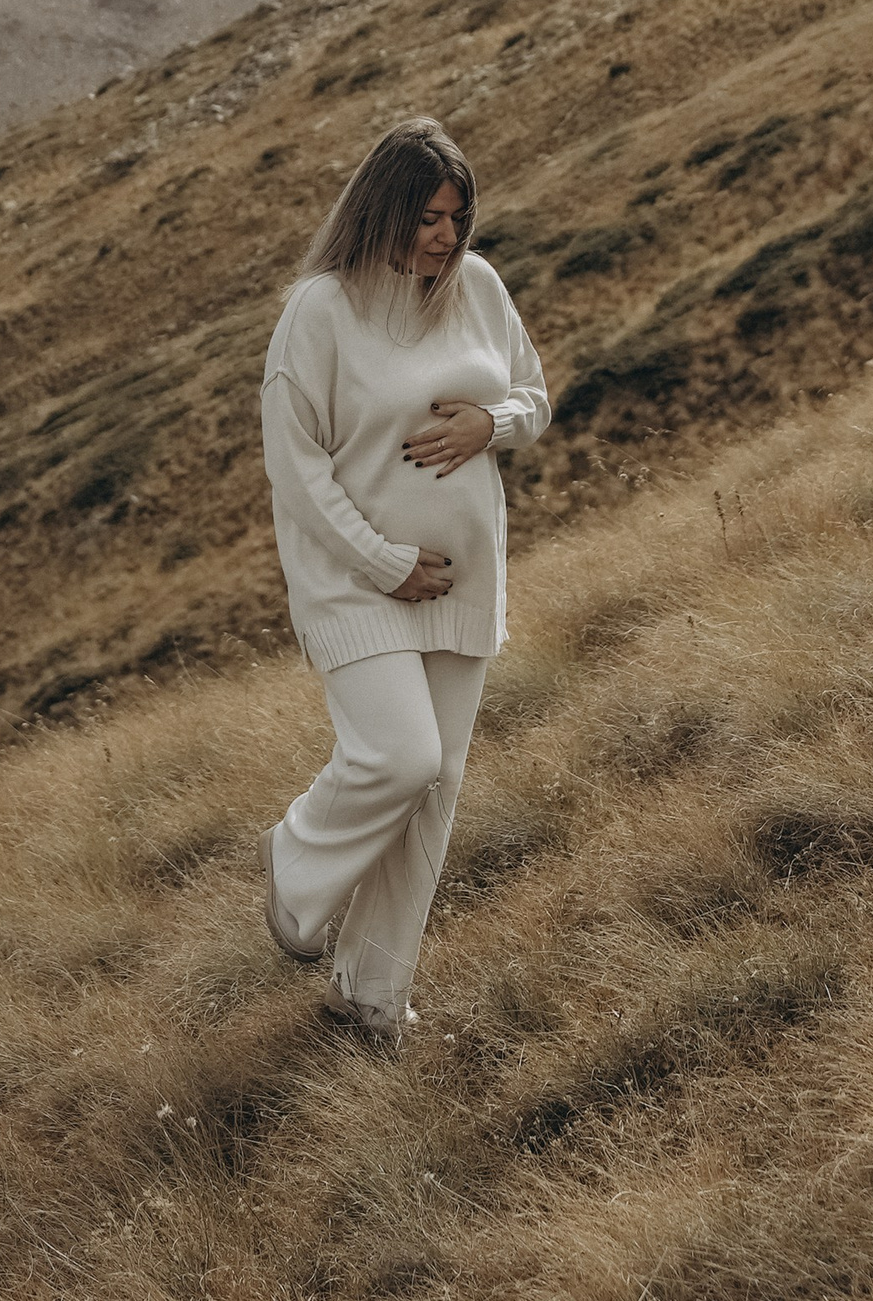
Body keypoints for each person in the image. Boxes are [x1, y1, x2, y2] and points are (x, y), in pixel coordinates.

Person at [257, 115, 551, 1047]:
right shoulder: (321, 309)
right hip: (356, 583)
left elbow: (533, 397)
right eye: (428, 215)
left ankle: (372, 996)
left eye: (457, 216)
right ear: (383, 208)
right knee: (399, 758)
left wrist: (490, 425)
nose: (445, 235)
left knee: (436, 790)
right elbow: (295, 469)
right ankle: (294, 871)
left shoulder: (479, 287)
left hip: (464, 582)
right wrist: (384, 561)